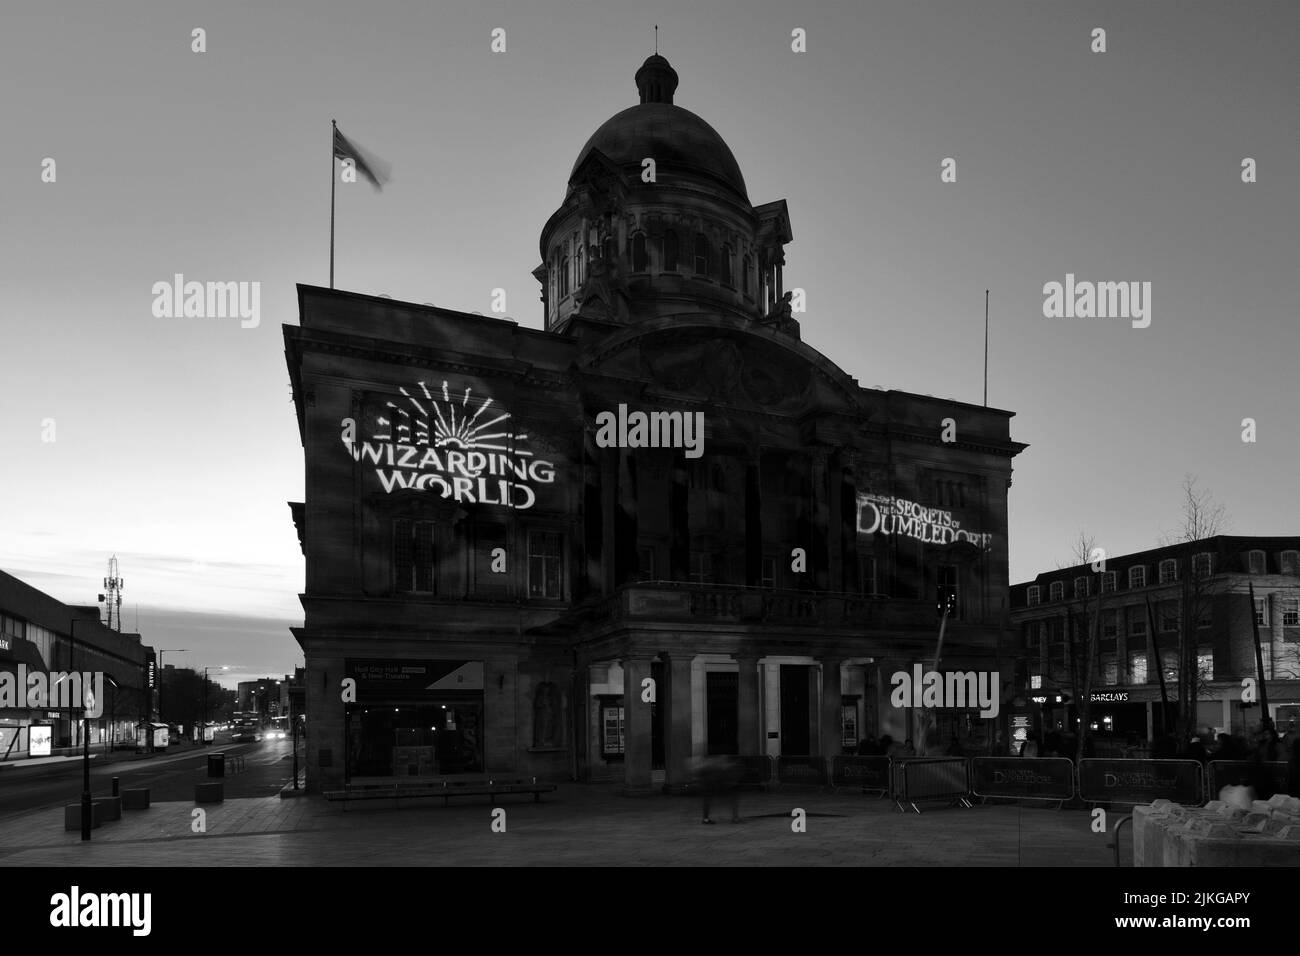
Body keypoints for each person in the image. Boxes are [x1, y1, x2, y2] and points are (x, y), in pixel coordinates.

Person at [696, 755, 741, 825]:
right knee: (733, 797)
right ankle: (735, 818)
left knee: (708, 799)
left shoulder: (709, 763)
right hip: (711, 783)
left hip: (711, 783)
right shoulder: (715, 763)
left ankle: (705, 819)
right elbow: (722, 770)